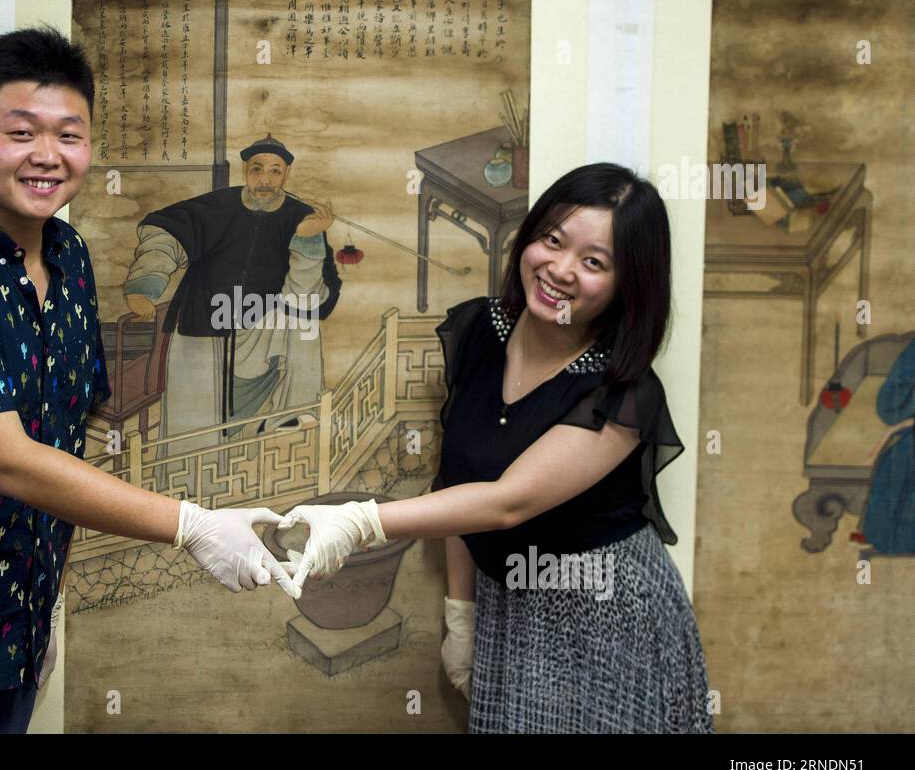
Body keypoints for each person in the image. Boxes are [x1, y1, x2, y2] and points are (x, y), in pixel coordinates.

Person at [0, 26, 299, 735]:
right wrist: (189, 524)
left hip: (10, 633)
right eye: (20, 132)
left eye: (69, 135)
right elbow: (9, 457)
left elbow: (68, 433)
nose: (47, 155)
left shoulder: (69, 256)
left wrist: (51, 599)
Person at [280, 163, 714, 733]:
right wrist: (461, 612)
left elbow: (507, 501)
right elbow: (461, 477)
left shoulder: (622, 392)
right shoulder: (480, 331)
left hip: (604, 613)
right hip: (511, 605)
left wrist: (362, 522)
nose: (559, 269)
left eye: (593, 262)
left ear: (627, 284)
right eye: (552, 240)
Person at [121, 134, 341, 471]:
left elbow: (307, 297)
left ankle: (290, 424)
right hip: (205, 321)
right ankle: (192, 480)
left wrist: (307, 241)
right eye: (257, 169)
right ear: (246, 171)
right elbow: (167, 235)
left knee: (303, 328)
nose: (265, 180)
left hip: (263, 332)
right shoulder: (217, 206)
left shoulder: (301, 218)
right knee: (195, 435)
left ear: (286, 176)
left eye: (275, 171)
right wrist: (145, 286)